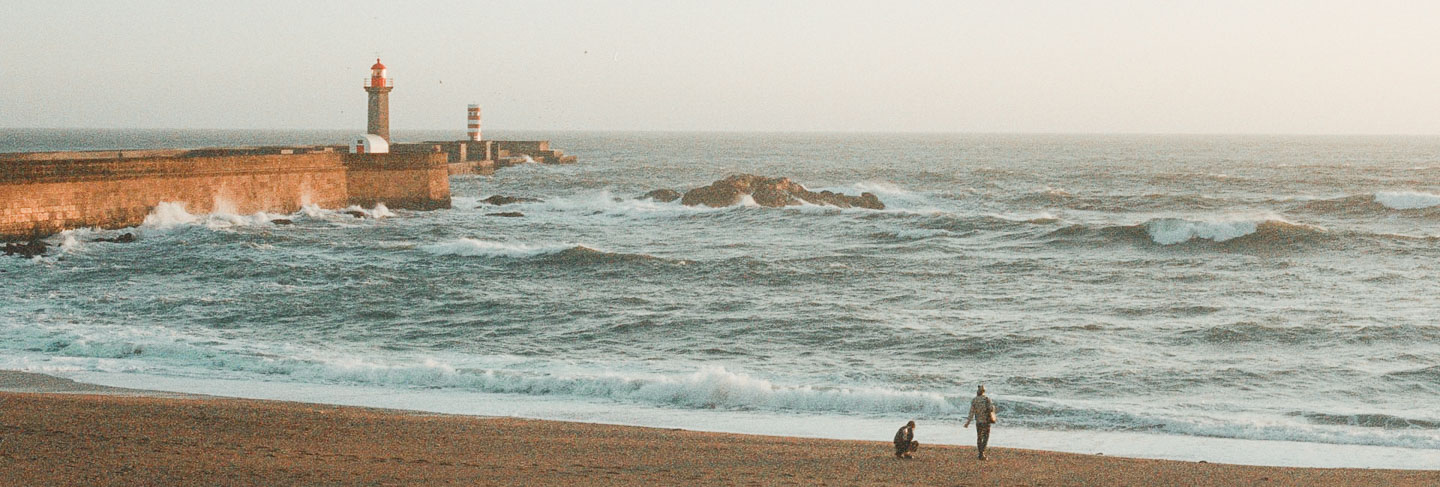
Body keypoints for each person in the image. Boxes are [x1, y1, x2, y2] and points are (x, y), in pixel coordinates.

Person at [963, 385, 997, 460]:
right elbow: (991, 409)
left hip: (978, 422)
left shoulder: (974, 400)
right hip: (986, 421)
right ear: (983, 391)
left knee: (979, 437)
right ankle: (982, 453)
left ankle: (980, 453)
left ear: (978, 391)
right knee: (985, 437)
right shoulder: (987, 399)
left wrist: (967, 423)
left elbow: (971, 412)